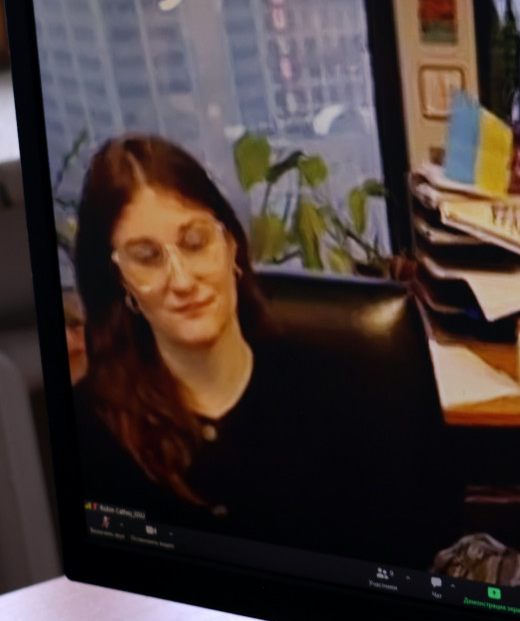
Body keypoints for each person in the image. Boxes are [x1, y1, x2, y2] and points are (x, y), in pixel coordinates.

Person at [72, 134, 452, 566]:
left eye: (195, 243)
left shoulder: (337, 395)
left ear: (231, 245)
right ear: (121, 281)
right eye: (147, 257)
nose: (182, 281)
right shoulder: (92, 430)